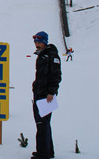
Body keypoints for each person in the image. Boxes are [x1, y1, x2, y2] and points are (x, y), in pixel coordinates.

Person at [32, 31, 62, 159]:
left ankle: (43, 154)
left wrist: (51, 92)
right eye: (35, 42)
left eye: (39, 42)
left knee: (42, 123)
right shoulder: (42, 55)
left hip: (45, 95)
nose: (36, 44)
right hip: (39, 92)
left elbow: (56, 75)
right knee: (42, 123)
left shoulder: (52, 56)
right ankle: (47, 151)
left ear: (44, 42)